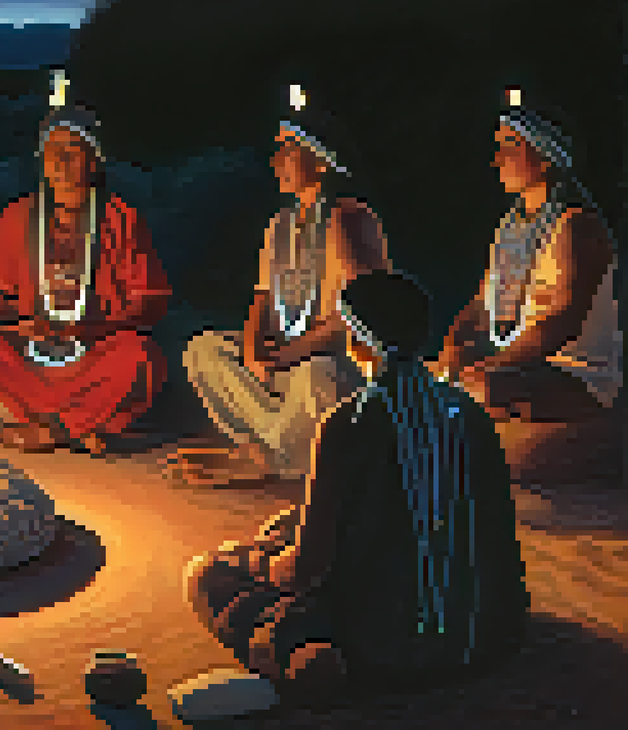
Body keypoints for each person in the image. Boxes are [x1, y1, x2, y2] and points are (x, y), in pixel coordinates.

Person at [183, 269, 528, 703]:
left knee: (208, 575)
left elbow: (305, 570)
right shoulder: (471, 414)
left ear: (356, 339)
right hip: (483, 634)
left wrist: (257, 563)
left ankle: (309, 656)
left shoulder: (346, 424)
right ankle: (322, 646)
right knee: (285, 525)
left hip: (383, 638)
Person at [174, 84, 390, 485]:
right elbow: (263, 299)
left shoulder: (351, 217)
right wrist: (256, 350)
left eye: (288, 150)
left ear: (321, 162)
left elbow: (361, 312)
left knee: (317, 376)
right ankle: (274, 445)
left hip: (332, 361)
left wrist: (291, 354)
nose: (276, 161)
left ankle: (278, 458)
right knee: (205, 350)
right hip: (285, 358)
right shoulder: (280, 225)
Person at [0, 70, 170, 455]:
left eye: (73, 151)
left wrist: (100, 325)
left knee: (142, 359)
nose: (61, 160)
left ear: (94, 162)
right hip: (35, 348)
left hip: (94, 350)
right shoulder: (16, 216)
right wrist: (25, 320)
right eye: (53, 151)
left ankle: (50, 429)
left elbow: (151, 300)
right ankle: (81, 426)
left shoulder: (121, 218)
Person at [429, 88, 619, 481]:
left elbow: (562, 324)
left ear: (546, 157)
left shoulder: (576, 225)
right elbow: (483, 307)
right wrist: (453, 347)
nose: (497, 159)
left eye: (510, 147)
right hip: (518, 365)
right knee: (435, 374)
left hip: (575, 373)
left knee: (481, 387)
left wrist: (490, 364)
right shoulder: (510, 227)